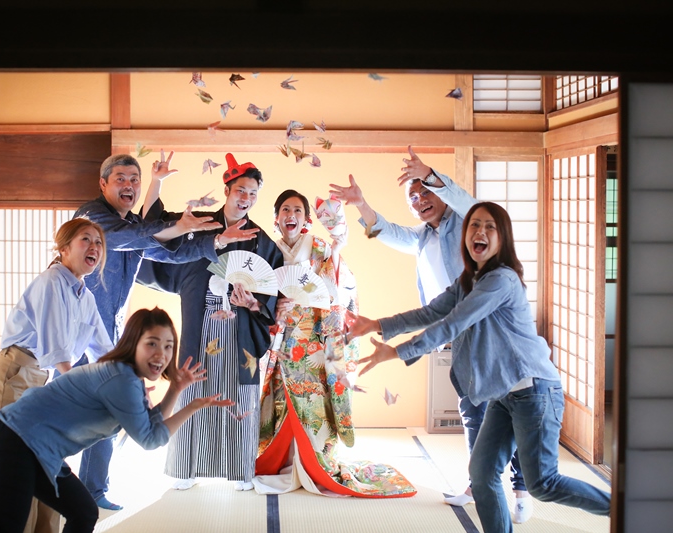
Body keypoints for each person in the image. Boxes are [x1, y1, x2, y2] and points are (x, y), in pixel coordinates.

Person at [349, 202, 611, 533]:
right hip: (503, 396)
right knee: (482, 474)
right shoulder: (469, 280)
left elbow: (453, 323)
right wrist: (376, 324)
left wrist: (398, 352)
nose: (480, 232)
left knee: (543, 483)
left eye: (489, 226)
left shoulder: (501, 280)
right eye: (474, 225)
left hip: (534, 391)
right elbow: (431, 312)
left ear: (503, 238)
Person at [329, 146, 531, 522]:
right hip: (458, 336)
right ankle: (478, 482)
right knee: (473, 412)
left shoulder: (466, 223)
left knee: (506, 409)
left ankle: (521, 489)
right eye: (414, 197)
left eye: (426, 192)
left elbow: (466, 201)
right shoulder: (422, 237)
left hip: (493, 335)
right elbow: (388, 232)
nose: (420, 200)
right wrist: (361, 204)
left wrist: (429, 173)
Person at [72, 151, 256, 510]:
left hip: (108, 336)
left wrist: (216, 241)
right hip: (74, 336)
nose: (129, 185)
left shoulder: (133, 226)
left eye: (135, 180)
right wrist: (177, 224)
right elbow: (132, 236)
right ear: (103, 184)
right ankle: (49, 483)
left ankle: (92, 491)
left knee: (106, 415)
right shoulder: (93, 218)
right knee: (70, 417)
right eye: (121, 179)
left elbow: (167, 252)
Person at [0, 307, 233, 533]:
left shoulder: (126, 376)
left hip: (38, 449)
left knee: (83, 512)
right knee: (2, 528)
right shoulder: (122, 379)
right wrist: (193, 406)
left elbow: (150, 424)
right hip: (16, 440)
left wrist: (175, 389)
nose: (162, 354)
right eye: (152, 344)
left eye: (169, 346)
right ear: (133, 343)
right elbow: (150, 439)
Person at [254, 189, 416, 498]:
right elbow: (257, 295)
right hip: (281, 339)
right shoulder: (268, 252)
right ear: (276, 218)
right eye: (285, 209)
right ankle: (283, 462)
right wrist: (273, 307)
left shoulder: (318, 248)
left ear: (306, 219)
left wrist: (337, 247)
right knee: (280, 399)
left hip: (314, 341)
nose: (291, 215)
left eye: (297, 210)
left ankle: (314, 465)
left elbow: (338, 286)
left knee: (312, 402)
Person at [137, 153, 283, 491]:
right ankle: (185, 467)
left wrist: (252, 303)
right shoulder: (201, 225)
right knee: (192, 386)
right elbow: (155, 231)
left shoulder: (261, 240)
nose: (246, 198)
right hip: (201, 320)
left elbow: (272, 291)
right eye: (241, 190)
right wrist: (156, 182)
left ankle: (240, 469)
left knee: (237, 394)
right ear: (227, 190)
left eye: (252, 194)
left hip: (239, 327)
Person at [0, 217, 115, 533]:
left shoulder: (85, 296)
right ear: (64, 248)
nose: (94, 247)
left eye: (98, 242)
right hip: (16, 374)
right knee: (17, 476)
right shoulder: (51, 281)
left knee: (47, 467)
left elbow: (104, 349)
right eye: (86, 239)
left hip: (44, 381)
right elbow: (56, 348)